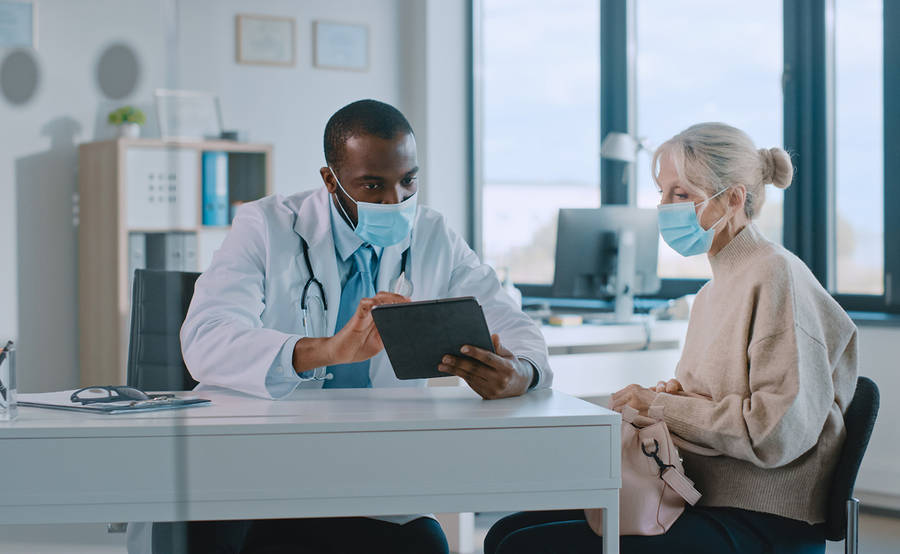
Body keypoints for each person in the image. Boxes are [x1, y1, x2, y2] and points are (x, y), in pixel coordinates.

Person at [128, 99, 553, 554]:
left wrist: (521, 373)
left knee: (423, 544)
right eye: (373, 185)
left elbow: (515, 326)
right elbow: (205, 339)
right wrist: (328, 350)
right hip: (257, 467)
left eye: (408, 181)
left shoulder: (433, 235)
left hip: (370, 468)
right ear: (331, 180)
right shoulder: (267, 226)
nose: (395, 202)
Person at [485, 122, 858, 554]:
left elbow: (774, 433)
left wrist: (662, 405)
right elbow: (714, 401)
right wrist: (670, 400)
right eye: (662, 193)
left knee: (522, 547)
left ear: (733, 199)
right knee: (505, 533)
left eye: (680, 194)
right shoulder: (710, 294)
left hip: (761, 518)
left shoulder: (775, 274)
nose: (664, 207)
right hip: (698, 495)